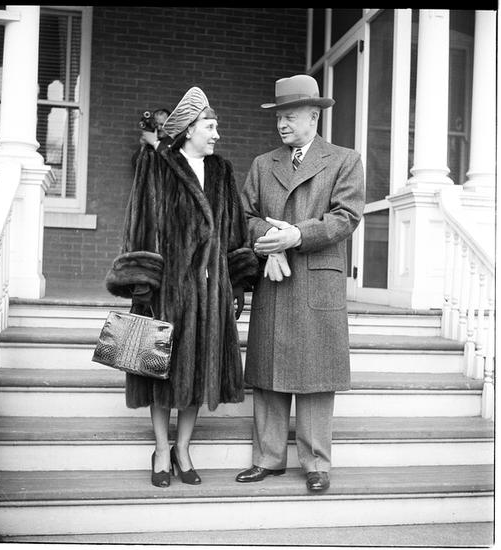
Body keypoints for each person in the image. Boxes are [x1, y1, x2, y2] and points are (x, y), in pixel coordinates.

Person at [106, 87, 258, 487]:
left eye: (217, 127)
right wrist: (142, 283)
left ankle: (183, 449)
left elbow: (234, 230)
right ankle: (161, 450)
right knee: (158, 373)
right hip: (167, 290)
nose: (217, 134)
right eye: (210, 126)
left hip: (210, 291)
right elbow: (141, 223)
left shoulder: (222, 171)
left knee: (198, 373)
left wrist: (237, 281)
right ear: (189, 128)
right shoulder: (157, 164)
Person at [236, 74, 365, 493]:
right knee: (269, 370)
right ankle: (268, 459)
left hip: (315, 279)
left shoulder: (344, 160)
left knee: (316, 373)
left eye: (290, 116)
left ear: (314, 116)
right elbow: (243, 216)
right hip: (274, 276)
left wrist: (296, 236)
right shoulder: (263, 163)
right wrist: (270, 244)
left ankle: (316, 464)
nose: (282, 124)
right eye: (279, 117)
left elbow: (346, 217)